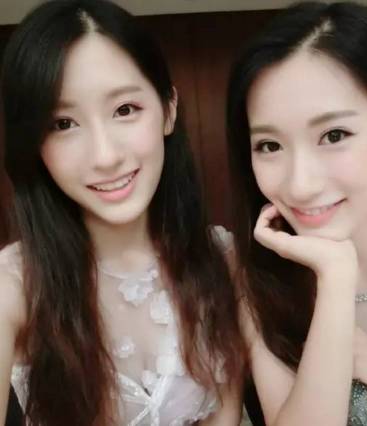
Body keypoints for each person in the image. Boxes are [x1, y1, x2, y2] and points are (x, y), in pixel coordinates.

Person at [0, 0, 245, 424]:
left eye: (125, 110)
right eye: (63, 124)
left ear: (168, 110)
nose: (105, 156)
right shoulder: (14, 285)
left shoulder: (221, 258)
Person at [227, 2, 367, 425]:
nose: (300, 185)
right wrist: (335, 278)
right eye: (270, 145)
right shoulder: (260, 286)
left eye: (334, 135)